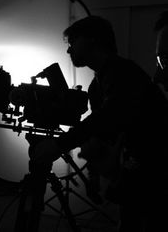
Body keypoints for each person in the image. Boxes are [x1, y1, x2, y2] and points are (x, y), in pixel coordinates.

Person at [32, 15, 168, 232]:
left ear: (92, 40)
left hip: (157, 168)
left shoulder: (123, 72)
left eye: (73, 42)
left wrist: (59, 145)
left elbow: (106, 118)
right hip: (138, 167)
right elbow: (101, 133)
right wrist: (92, 176)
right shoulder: (97, 86)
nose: (69, 50)